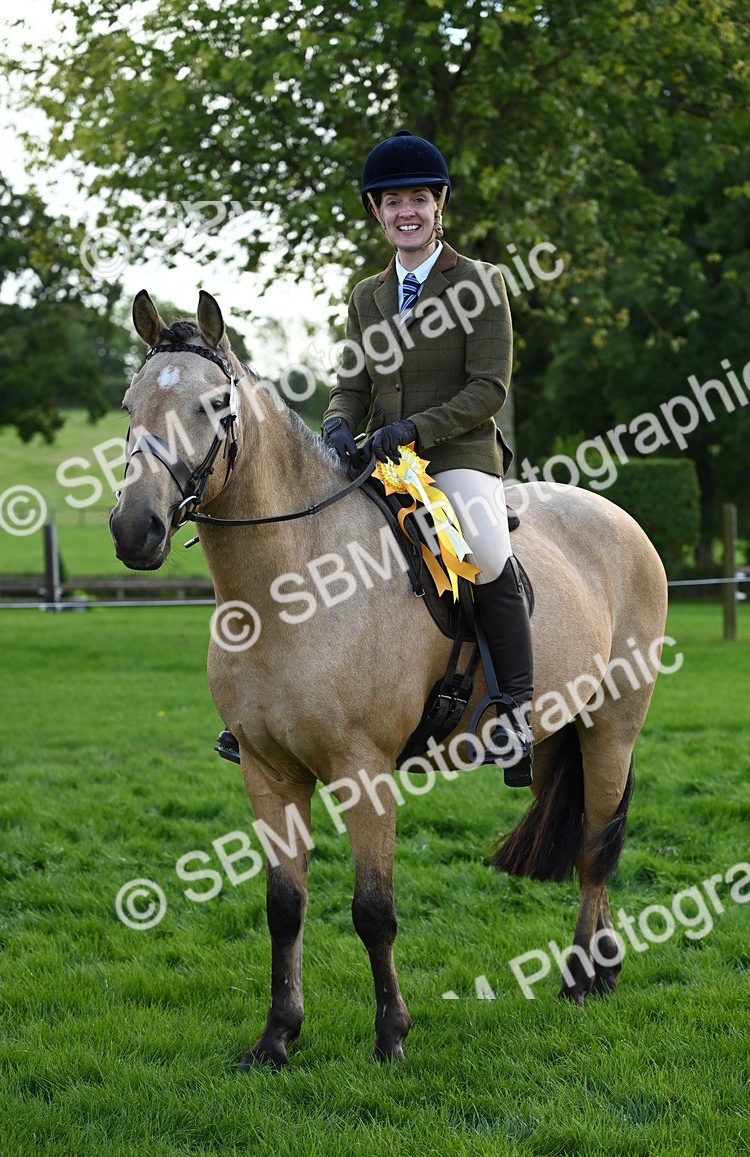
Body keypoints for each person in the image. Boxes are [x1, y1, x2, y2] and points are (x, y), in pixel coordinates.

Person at [320, 130, 534, 787]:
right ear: (377, 213)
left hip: (459, 453)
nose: (405, 211)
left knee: (488, 554)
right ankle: (287, 707)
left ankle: (517, 715)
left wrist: (415, 427)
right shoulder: (366, 296)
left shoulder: (480, 283)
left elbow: (488, 389)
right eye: (391, 202)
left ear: (439, 204)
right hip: (384, 459)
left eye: (418, 198)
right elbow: (352, 384)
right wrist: (334, 424)